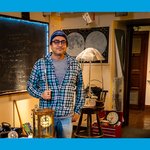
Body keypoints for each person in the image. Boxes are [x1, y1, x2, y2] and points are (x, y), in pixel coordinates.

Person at [27, 30, 85, 138]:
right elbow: (30, 86)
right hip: (46, 116)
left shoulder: (75, 64)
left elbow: (81, 88)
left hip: (66, 117)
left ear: (66, 45)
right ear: (51, 45)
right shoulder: (40, 64)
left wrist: (78, 110)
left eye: (63, 42)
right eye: (56, 41)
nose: (60, 44)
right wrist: (41, 94)